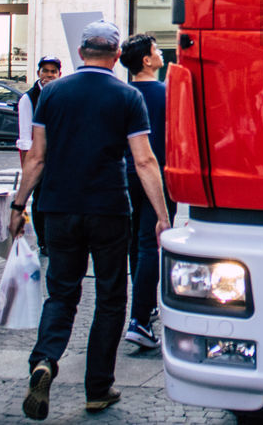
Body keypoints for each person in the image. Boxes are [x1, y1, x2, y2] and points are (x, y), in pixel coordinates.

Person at [8, 21, 170, 420]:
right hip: (109, 209)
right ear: (116, 57)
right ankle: (98, 387)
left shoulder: (53, 93)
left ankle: (45, 360)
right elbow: (144, 160)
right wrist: (162, 214)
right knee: (112, 298)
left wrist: (18, 205)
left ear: (81, 54)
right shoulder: (127, 95)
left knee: (61, 293)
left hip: (59, 208)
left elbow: (37, 157)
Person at [118, 33, 176, 350]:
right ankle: (139, 319)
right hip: (158, 176)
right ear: (146, 60)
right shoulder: (167, 94)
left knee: (134, 247)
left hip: (125, 175)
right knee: (150, 245)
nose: (160, 55)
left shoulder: (123, 94)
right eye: (156, 51)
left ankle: (145, 305)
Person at [17, 56, 62, 254]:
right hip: (39, 155)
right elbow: (25, 135)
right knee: (40, 197)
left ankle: (56, 237)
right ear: (38, 73)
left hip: (59, 155)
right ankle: (44, 241)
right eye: (46, 71)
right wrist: (28, 164)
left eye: (53, 71)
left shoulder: (62, 93)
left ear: (59, 74)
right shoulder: (29, 98)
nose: (49, 75)